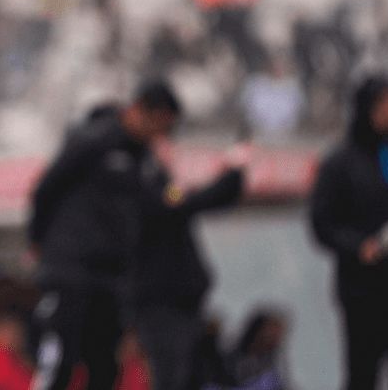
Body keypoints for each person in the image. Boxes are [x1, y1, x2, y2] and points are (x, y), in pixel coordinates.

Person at [28, 80, 182, 390]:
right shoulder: (94, 140)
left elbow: (163, 205)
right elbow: (46, 190)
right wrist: (39, 242)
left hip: (110, 278)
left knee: (105, 364)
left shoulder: (144, 160)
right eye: (160, 125)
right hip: (70, 271)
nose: (161, 136)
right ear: (141, 111)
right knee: (61, 358)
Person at [311, 75, 388, 390]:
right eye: (383, 108)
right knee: (363, 375)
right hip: (363, 292)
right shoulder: (341, 163)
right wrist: (358, 246)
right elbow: (322, 224)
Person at [132, 141, 248, 390]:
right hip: (161, 302)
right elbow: (185, 202)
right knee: (171, 374)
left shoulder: (156, 187)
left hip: (181, 302)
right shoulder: (141, 188)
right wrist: (232, 174)